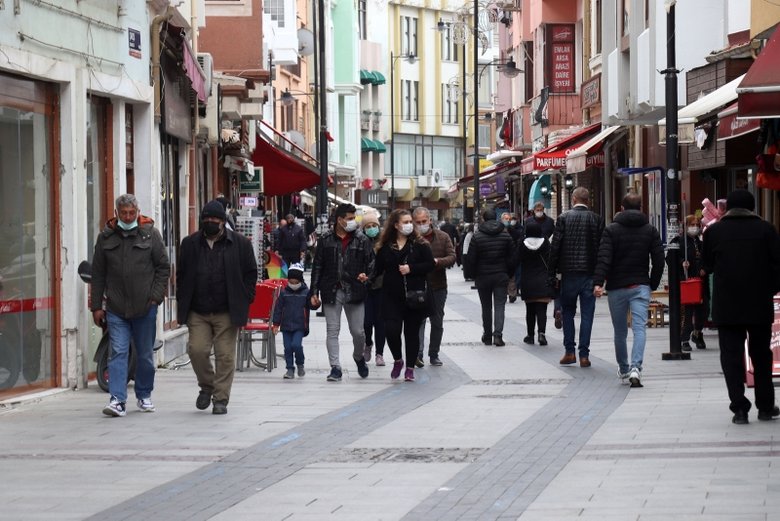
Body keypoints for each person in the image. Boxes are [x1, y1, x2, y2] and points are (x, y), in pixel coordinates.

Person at [702, 189, 780, 424]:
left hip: (727, 305)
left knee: (731, 356)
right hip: (758, 304)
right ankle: (765, 406)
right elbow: (778, 265)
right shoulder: (766, 230)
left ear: (727, 208)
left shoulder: (714, 232)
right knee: (761, 355)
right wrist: (770, 289)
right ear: (752, 207)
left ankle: (739, 408)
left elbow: (708, 266)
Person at [91, 194, 170, 417]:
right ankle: (117, 399)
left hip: (145, 306)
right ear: (116, 213)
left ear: (137, 212)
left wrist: (155, 297)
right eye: (123, 213)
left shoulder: (150, 234)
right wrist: (96, 306)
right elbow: (98, 274)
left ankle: (144, 395)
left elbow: (163, 267)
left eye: (131, 213)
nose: (128, 217)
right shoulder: (105, 238)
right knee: (117, 352)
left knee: (144, 354)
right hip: (116, 308)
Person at [177, 200, 258, 415]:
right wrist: (182, 299)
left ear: (223, 221)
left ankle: (220, 398)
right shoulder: (190, 244)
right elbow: (182, 274)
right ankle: (207, 385)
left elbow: (251, 272)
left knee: (225, 356)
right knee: (197, 350)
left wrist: (246, 296)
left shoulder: (240, 244)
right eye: (207, 219)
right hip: (198, 309)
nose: (210, 222)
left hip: (227, 310)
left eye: (215, 219)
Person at [593, 192, 664, 387]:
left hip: (617, 287)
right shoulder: (650, 230)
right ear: (641, 208)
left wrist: (598, 283)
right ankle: (636, 367)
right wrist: (652, 283)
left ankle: (624, 368)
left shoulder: (611, 230)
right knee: (640, 328)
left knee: (620, 331)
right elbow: (659, 260)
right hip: (640, 286)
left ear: (621, 208)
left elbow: (604, 258)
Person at [309, 203, 374, 382]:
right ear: (339, 220)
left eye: (354, 218)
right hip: (332, 289)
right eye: (350, 218)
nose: (353, 222)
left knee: (358, 332)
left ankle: (358, 357)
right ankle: (335, 367)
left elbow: (372, 264)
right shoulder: (326, 239)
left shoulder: (362, 239)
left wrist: (366, 276)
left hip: (355, 290)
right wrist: (314, 291)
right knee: (332, 330)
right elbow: (317, 266)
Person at [372, 209, 435, 381]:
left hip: (413, 296)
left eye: (410, 222)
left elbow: (430, 265)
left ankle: (409, 368)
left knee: (411, 333)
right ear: (396, 225)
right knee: (391, 331)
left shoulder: (420, 244)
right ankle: (398, 360)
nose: (409, 225)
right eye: (405, 222)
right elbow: (377, 269)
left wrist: (411, 269)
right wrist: (366, 277)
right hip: (391, 296)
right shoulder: (386, 247)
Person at [548, 186, 604, 367]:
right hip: (589, 274)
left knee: (568, 313)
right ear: (588, 201)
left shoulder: (563, 218)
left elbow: (555, 248)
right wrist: (600, 278)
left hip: (569, 274)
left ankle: (569, 352)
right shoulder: (597, 220)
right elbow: (602, 250)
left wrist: (552, 273)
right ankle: (584, 355)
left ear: (573, 200)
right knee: (587, 315)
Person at [465, 209, 515, 346]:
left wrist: (473, 274)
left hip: (483, 276)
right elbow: (512, 257)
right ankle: (498, 335)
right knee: (500, 306)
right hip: (501, 275)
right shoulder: (505, 235)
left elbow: (471, 258)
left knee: (486, 307)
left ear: (484, 219)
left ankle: (487, 335)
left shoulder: (477, 236)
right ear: (497, 219)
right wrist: (509, 273)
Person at [413, 207, 456, 367]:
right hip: (417, 286)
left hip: (438, 286)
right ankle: (418, 354)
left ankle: (434, 354)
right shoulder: (411, 239)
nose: (421, 225)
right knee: (419, 321)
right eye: (418, 223)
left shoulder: (443, 237)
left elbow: (452, 257)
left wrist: (438, 262)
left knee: (437, 321)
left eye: (424, 221)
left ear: (430, 220)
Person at [668, 215, 708, 351]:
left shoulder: (702, 243)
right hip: (686, 280)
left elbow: (709, 259)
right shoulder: (679, 241)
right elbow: (670, 259)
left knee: (703, 310)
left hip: (701, 281)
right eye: (692, 224)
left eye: (697, 224)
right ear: (685, 226)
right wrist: (681, 262)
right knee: (688, 311)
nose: (695, 227)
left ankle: (698, 333)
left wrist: (705, 269)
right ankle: (684, 338)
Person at [517, 221, 555, 346]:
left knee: (530, 310)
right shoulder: (545, 243)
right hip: (543, 280)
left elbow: (516, 259)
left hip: (528, 280)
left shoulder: (522, 244)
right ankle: (542, 334)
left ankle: (530, 335)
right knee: (541, 309)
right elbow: (551, 260)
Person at [272, 263, 311, 379]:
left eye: (296, 282)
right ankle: (289, 368)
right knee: (287, 347)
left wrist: (315, 302)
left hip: (300, 325)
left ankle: (300, 364)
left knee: (296, 345)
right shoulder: (284, 293)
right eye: (291, 282)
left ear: (300, 280)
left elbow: (311, 306)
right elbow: (278, 309)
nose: (293, 285)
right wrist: (276, 324)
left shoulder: (306, 293)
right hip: (286, 326)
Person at [361, 212, 387, 366]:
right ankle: (368, 343)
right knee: (366, 322)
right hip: (365, 287)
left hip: (382, 287)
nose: (371, 229)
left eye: (373, 226)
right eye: (368, 227)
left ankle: (380, 354)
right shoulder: (361, 242)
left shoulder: (385, 242)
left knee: (380, 322)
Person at [526, 201, 558, 322]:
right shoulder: (529, 221)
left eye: (541, 209)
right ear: (534, 210)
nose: (539, 211)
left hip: (545, 253)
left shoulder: (549, 221)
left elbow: (553, 234)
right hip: (532, 253)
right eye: (537, 209)